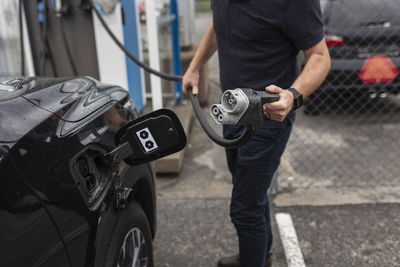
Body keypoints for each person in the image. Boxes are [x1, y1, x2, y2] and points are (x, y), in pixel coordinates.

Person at [182, 0, 331, 266]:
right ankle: (261, 254)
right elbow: (219, 26)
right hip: (233, 109)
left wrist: (292, 96)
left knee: (244, 210)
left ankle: (254, 257)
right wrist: (194, 68)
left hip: (269, 119)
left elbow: (320, 57)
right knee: (250, 191)